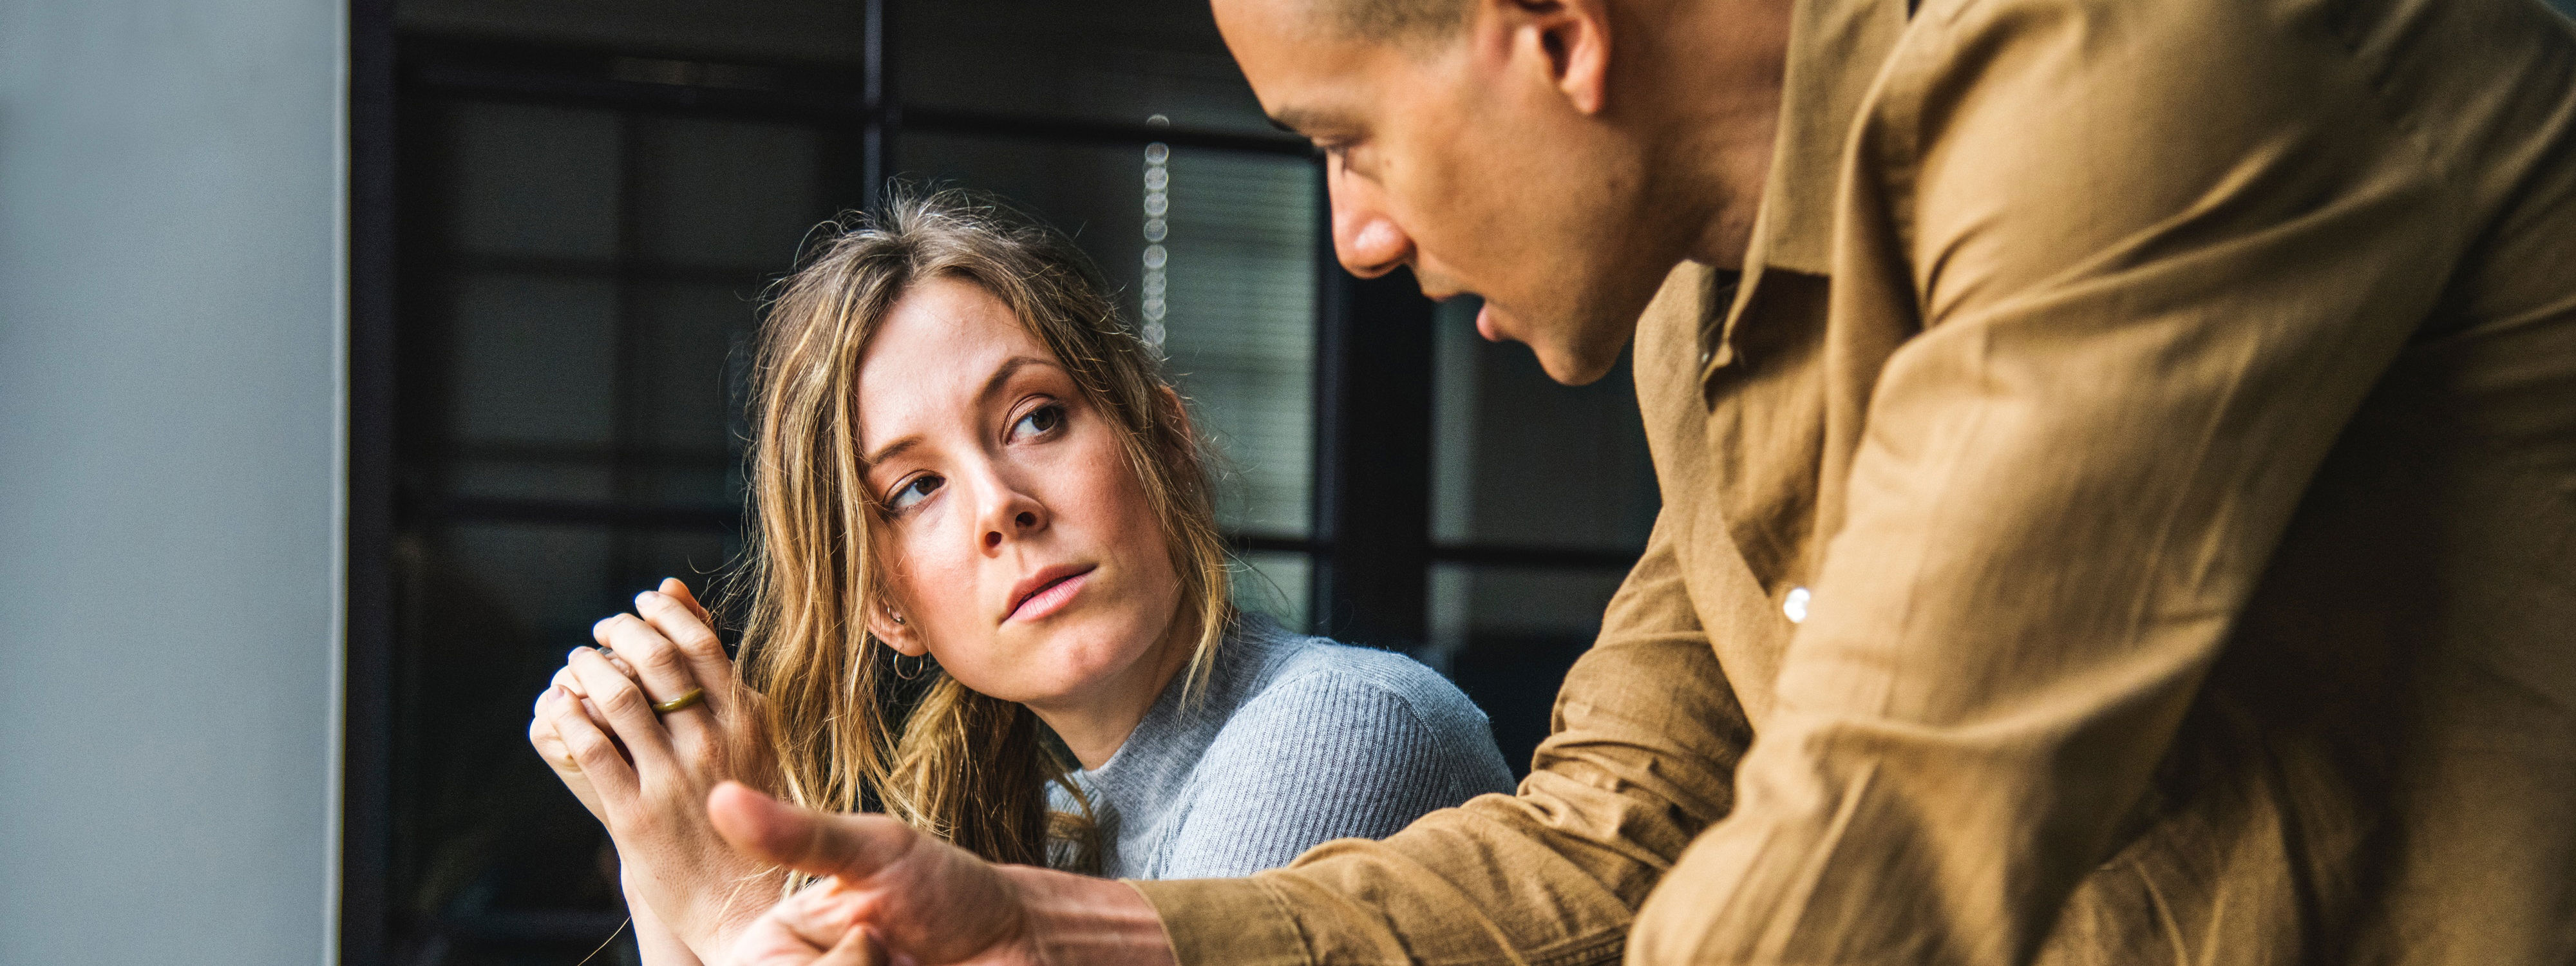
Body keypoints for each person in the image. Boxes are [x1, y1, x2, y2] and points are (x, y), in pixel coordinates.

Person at [705, 0, 2576, 962]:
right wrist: (1045, 924)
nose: (1354, 233)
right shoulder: (1712, 291)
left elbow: (1888, 823)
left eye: (1347, 139)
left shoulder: (2146, 67)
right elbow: (1619, 829)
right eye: (905, 494)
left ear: (1556, 33)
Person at [526, 193, 1515, 965]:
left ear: (1165, 444)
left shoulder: (1344, 731)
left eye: (1035, 418)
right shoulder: (1044, 834)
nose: (1000, 506)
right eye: (915, 489)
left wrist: (736, 904)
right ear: (887, 609)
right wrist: (659, 846)